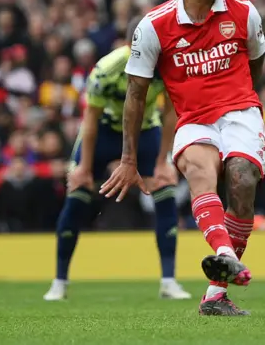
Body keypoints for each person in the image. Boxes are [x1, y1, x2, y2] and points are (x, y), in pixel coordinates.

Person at [99, 0, 265, 316]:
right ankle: (225, 255)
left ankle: (215, 291)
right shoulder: (154, 25)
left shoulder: (244, 12)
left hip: (241, 112)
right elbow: (136, 94)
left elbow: (256, 63)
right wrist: (128, 159)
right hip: (193, 121)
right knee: (199, 171)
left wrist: (241, 100)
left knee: (241, 180)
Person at [43, 17, 191, 301]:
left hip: (145, 131)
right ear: (128, 45)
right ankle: (59, 282)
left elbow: (171, 113)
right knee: (78, 193)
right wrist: (84, 168)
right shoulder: (106, 69)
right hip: (103, 133)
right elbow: (90, 119)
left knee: (165, 188)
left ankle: (168, 281)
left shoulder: (168, 67)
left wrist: (163, 161)